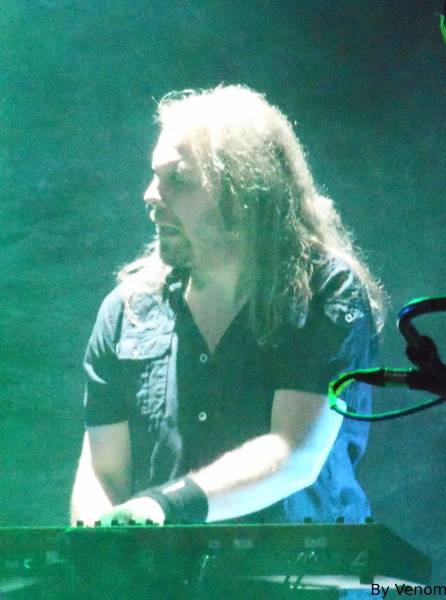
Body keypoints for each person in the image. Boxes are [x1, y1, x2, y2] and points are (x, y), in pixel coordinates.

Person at [71, 84, 385, 531]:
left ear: (244, 192)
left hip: (295, 569)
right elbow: (103, 472)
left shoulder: (325, 291)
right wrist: (95, 548)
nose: (150, 194)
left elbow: (294, 452)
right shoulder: (127, 311)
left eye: (177, 179)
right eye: (155, 176)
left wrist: (163, 506)